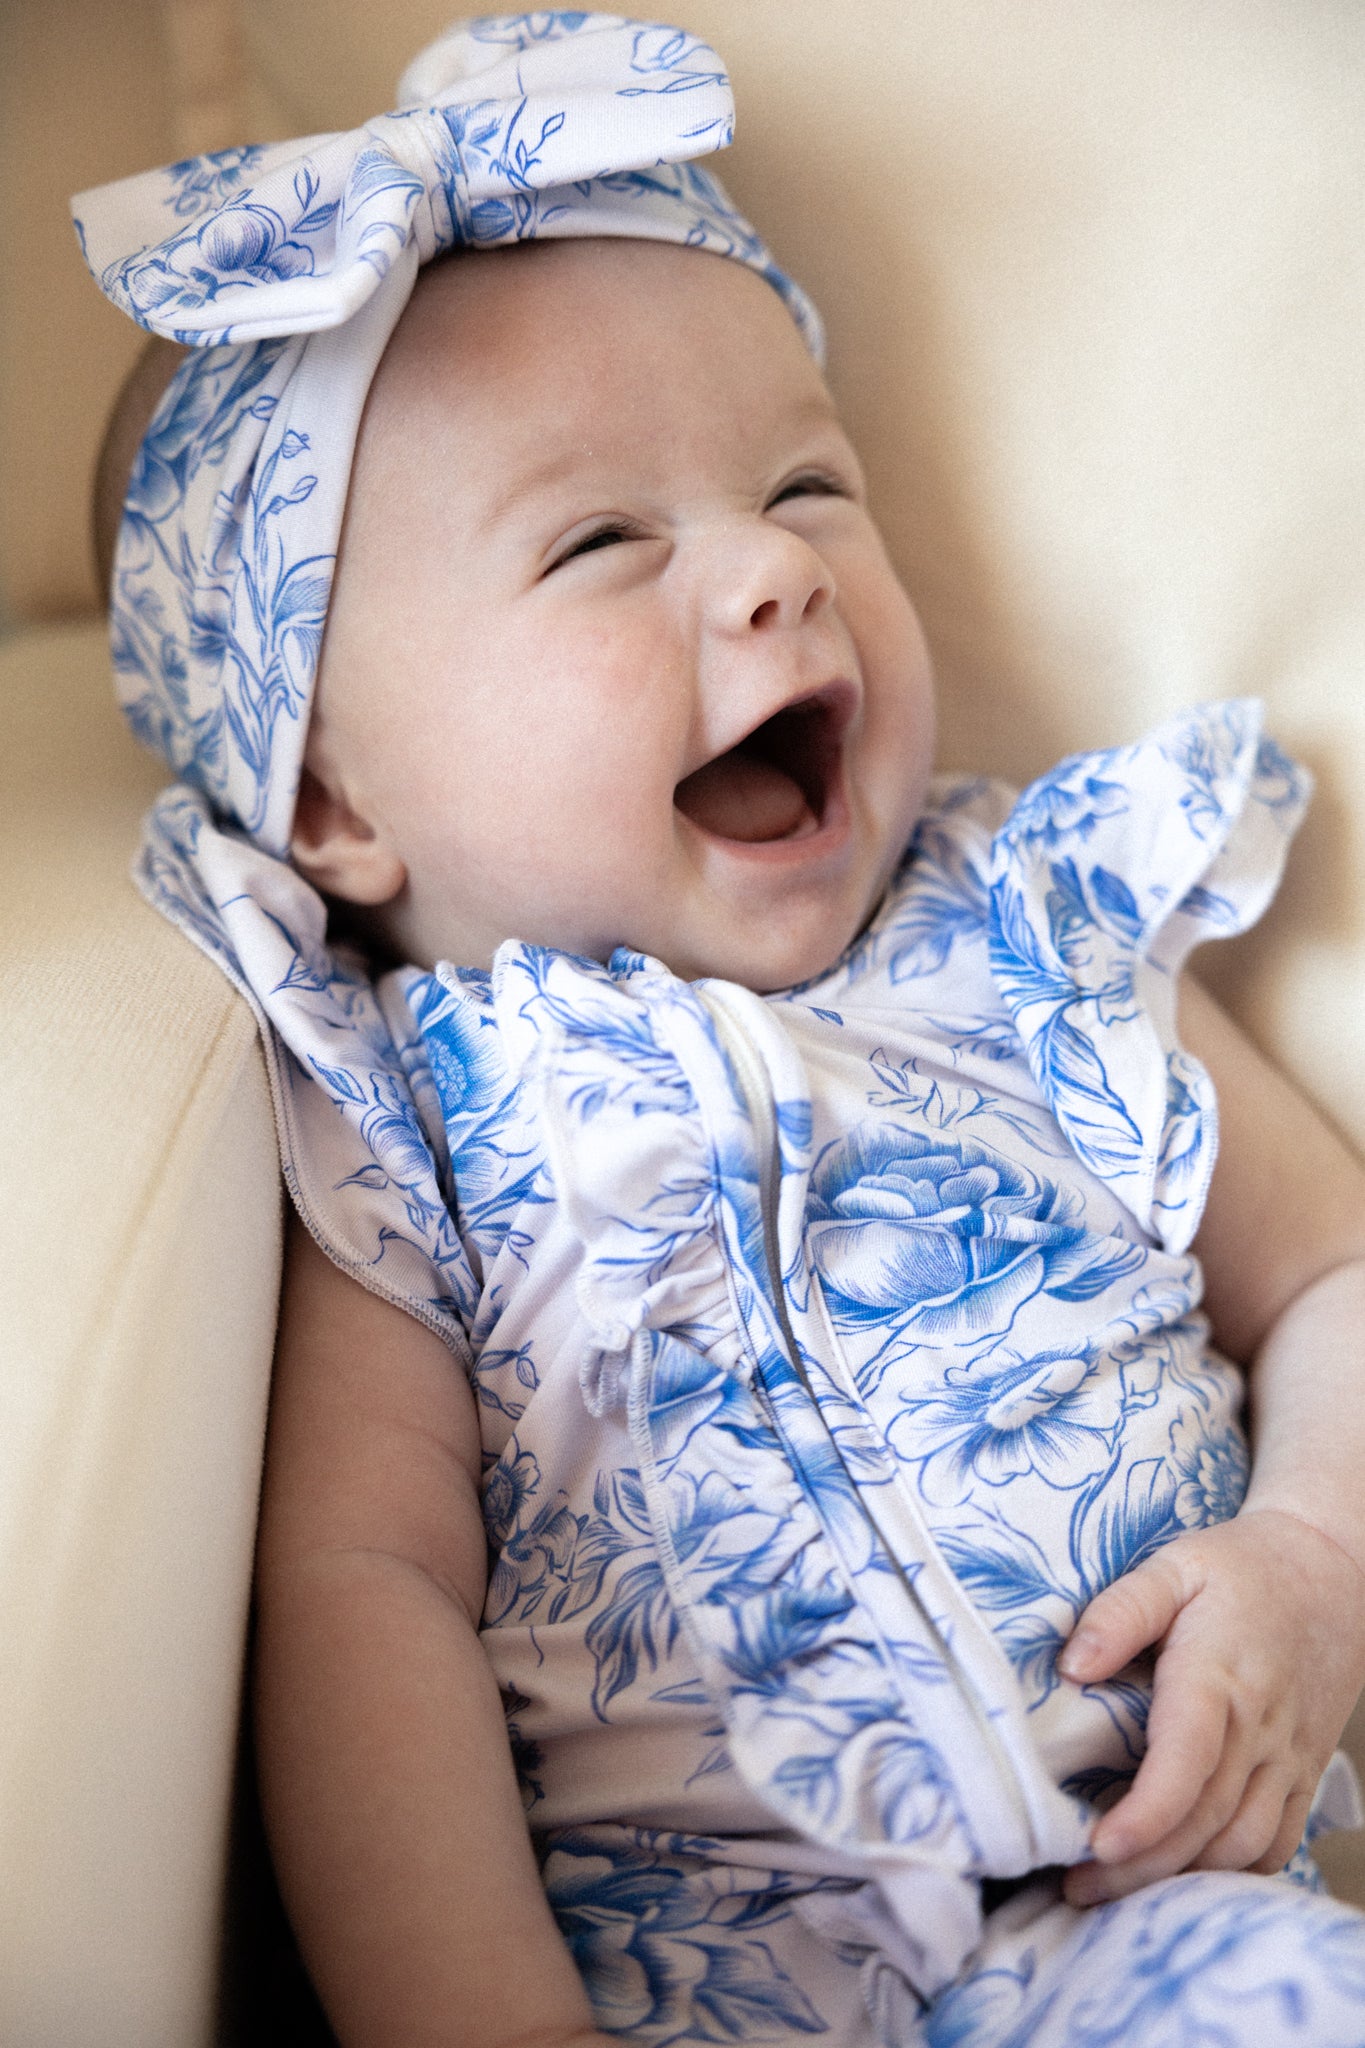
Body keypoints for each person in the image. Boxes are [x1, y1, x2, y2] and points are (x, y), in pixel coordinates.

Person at [75, 13, 1365, 2046]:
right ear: (332, 802)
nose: (776, 571)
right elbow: (364, 1598)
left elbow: (1333, 1274)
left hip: (1160, 1925)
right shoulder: (404, 1118)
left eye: (804, 482)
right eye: (600, 542)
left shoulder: (1033, 929)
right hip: (688, 1977)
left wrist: (1306, 1563)